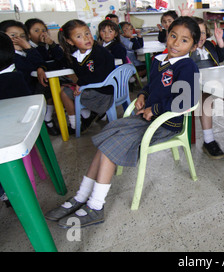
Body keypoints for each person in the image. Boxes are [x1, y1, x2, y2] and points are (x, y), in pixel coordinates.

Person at [45, 16, 201, 228]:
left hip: (165, 124)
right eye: (173, 36)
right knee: (108, 135)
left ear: (193, 45)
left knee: (110, 146)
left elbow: (186, 101)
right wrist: (143, 96)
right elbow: (150, 86)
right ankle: (81, 196)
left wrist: (154, 109)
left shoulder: (187, 67)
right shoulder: (158, 60)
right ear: (166, 34)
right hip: (145, 119)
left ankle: (96, 206)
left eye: (184, 40)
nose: (175, 43)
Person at [58, 19, 116, 135]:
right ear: (70, 41)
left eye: (87, 33)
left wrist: (80, 83)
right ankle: (86, 115)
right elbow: (59, 62)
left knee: (64, 93)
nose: (86, 38)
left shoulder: (99, 52)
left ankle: (77, 123)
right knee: (66, 88)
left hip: (103, 94)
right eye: (79, 36)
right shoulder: (76, 56)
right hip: (95, 90)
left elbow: (99, 76)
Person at [0, 31, 32, 208]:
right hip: (20, 130)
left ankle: (5, 192)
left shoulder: (10, 77)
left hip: (11, 136)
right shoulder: (16, 74)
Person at [191, 17, 224, 159]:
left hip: (215, 80)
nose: (200, 36)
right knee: (206, 100)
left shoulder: (209, 44)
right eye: (195, 32)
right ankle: (209, 140)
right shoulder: (187, 47)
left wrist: (220, 40)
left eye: (202, 32)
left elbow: (223, 56)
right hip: (195, 84)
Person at [25, 18, 66, 136]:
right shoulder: (30, 48)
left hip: (53, 78)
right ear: (28, 35)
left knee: (61, 89)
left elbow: (61, 59)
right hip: (36, 82)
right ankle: (47, 120)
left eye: (43, 30)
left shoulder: (49, 45)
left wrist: (52, 44)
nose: (41, 33)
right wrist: (43, 46)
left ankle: (50, 118)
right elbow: (41, 61)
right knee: (49, 92)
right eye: (36, 30)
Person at [0, 20, 47, 95]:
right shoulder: (7, 58)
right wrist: (29, 49)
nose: (19, 39)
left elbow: (40, 62)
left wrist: (40, 67)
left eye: (22, 36)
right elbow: (27, 67)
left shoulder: (25, 54)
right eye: (13, 35)